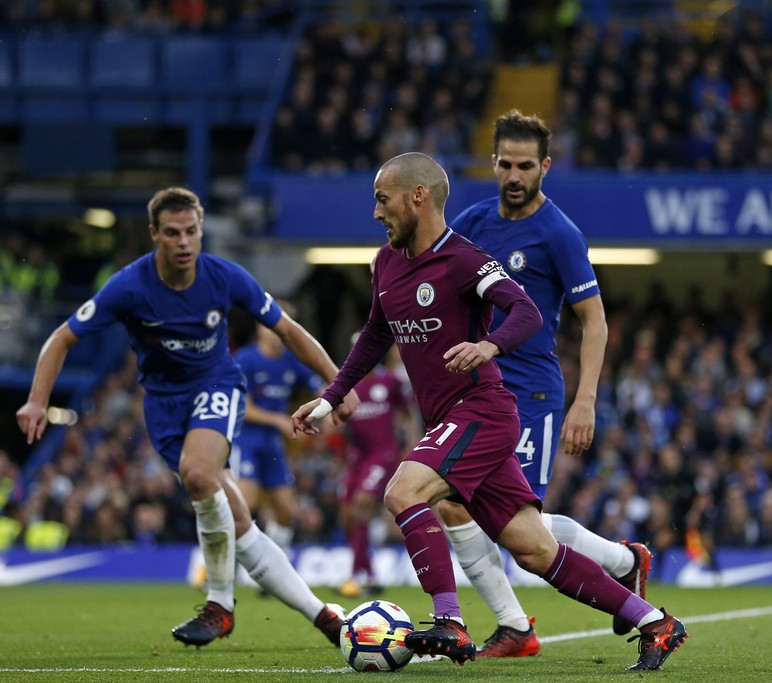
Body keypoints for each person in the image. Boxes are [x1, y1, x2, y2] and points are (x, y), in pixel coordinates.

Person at [292, 152, 687, 671]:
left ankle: (449, 620)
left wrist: (490, 346)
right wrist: (331, 394)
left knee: (402, 491)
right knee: (535, 550)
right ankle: (655, 623)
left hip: (481, 408)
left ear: (419, 197)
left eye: (382, 200)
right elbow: (375, 334)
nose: (375, 213)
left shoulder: (463, 259)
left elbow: (524, 309)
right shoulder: (387, 262)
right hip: (451, 419)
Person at [16, 187, 359, 648]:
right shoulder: (129, 286)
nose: (184, 242)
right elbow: (62, 337)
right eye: (173, 233)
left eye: (192, 232)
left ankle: (220, 604)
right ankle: (326, 617)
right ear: (155, 234)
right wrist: (38, 401)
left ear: (201, 232)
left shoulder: (224, 277)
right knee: (237, 522)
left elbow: (289, 329)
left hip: (217, 385)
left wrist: (337, 384)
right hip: (163, 407)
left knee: (199, 475)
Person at [439, 109, 651, 656]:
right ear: (492, 163)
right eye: (506, 164)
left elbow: (595, 319)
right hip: (477, 390)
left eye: (525, 166)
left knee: (515, 524)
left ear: (545, 167)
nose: (514, 175)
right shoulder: (472, 222)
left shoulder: (558, 232)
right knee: (457, 507)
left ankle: (624, 565)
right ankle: (519, 625)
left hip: (531, 393)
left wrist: (585, 401)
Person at [231, 301, 323, 562]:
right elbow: (243, 408)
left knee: (286, 511)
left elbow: (319, 387)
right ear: (260, 328)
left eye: (283, 327)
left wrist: (332, 403)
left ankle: (271, 564)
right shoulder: (245, 359)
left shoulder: (291, 362)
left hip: (273, 444)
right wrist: (279, 420)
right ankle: (220, 567)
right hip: (245, 441)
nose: (277, 332)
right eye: (272, 326)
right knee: (244, 505)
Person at [337, 340, 419, 599]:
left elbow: (408, 416)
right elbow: (339, 422)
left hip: (382, 454)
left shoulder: (391, 383)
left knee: (362, 503)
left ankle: (354, 576)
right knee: (347, 516)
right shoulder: (348, 386)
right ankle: (370, 575)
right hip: (357, 457)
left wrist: (412, 447)